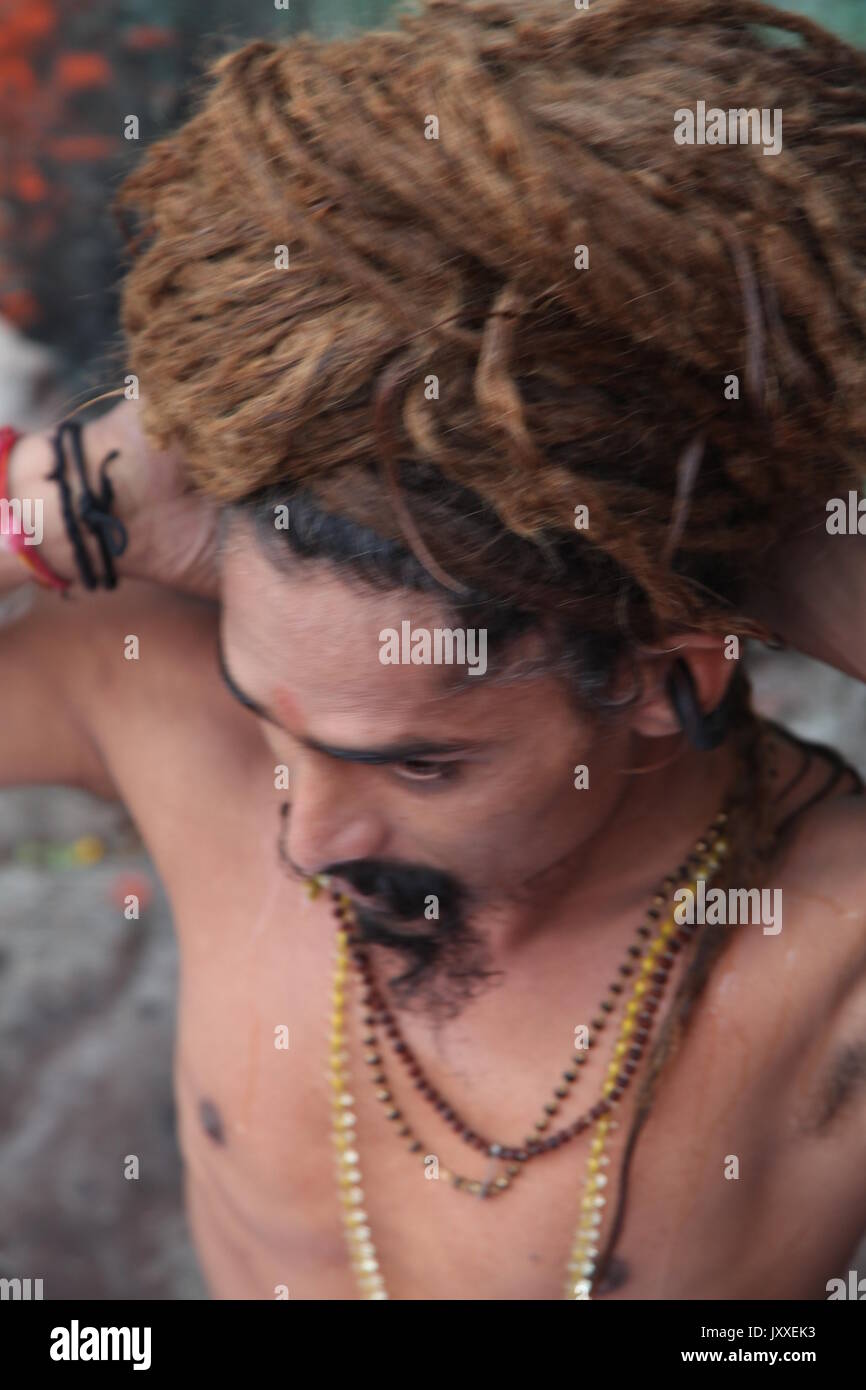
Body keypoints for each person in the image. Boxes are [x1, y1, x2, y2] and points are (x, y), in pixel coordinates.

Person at [2, 0, 866, 1301]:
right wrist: (56, 497)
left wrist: (783, 551)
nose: (301, 836)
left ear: (666, 677)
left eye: (416, 765)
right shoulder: (179, 726)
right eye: (273, 719)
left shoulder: (827, 951)